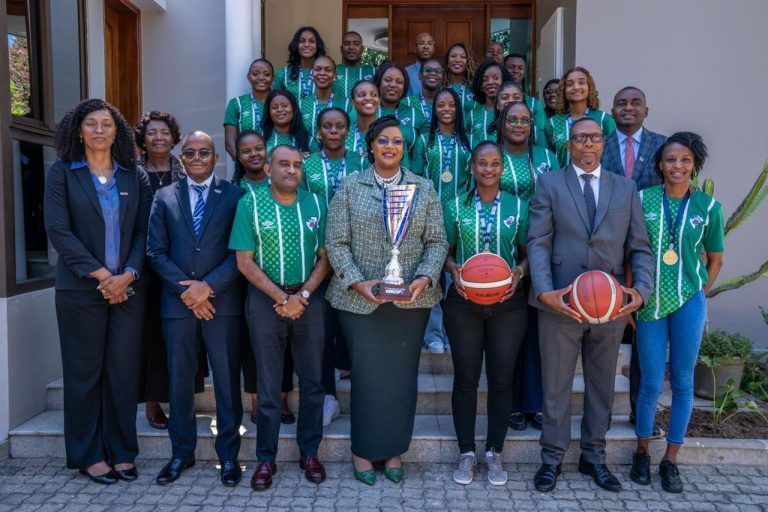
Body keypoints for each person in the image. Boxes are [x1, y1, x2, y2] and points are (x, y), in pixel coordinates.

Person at [527, 118, 653, 493]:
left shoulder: (625, 188)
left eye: (594, 138)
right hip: (560, 303)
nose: (588, 144)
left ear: (603, 144)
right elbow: (538, 242)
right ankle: (551, 459)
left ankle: (593, 457)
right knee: (555, 387)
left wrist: (641, 292)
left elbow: (640, 248)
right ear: (569, 145)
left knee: (601, 386)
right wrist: (545, 291)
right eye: (580, 138)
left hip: (610, 307)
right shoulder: (549, 183)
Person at [325, 116, 448, 485]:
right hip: (360, 303)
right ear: (371, 146)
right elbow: (335, 242)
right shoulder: (349, 187)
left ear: (404, 147)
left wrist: (423, 279)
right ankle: (363, 450)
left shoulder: (423, 188)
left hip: (411, 301)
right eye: (383, 141)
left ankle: (393, 449)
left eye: (396, 141)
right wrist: (358, 282)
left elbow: (437, 242)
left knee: (400, 377)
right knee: (367, 376)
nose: (390, 146)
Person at [44, 98, 152, 484]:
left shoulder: (132, 176)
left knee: (122, 374)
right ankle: (88, 455)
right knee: (84, 375)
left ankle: (122, 451)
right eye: (92, 124)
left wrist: (129, 274)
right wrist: (103, 275)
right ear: (78, 131)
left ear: (117, 131)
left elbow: (142, 232)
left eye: (107, 124)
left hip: (127, 291)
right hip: (79, 291)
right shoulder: (62, 174)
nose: (100, 131)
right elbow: (58, 231)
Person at [148, 131, 245, 487]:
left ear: (216, 156)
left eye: (205, 152)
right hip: (178, 305)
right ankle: (181, 453)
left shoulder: (235, 195)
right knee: (179, 383)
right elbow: (155, 252)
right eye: (190, 152)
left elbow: (241, 252)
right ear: (182, 157)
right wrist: (189, 292)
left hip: (223, 304)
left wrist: (209, 289)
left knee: (225, 383)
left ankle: (229, 456)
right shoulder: (163, 197)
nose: (198, 157)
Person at [230, 144, 329, 490]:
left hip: (308, 299)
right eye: (283, 164)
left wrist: (300, 296)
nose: (291, 170)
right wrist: (281, 297)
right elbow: (244, 261)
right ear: (269, 169)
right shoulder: (250, 202)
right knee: (269, 386)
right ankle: (265, 459)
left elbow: (325, 258)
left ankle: (309, 453)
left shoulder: (316, 203)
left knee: (313, 382)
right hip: (265, 301)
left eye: (297, 165)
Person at [630, 132, 724, 493]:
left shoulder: (708, 207)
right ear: (660, 164)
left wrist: (700, 293)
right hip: (650, 303)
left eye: (685, 160)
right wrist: (630, 299)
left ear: (694, 165)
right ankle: (642, 452)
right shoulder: (642, 200)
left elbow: (715, 258)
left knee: (683, 382)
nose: (677, 166)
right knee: (651, 383)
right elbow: (632, 253)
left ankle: (670, 460)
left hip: (688, 302)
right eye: (670, 159)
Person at [443, 141, 529, 486]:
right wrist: (454, 271)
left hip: (508, 303)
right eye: (482, 164)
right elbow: (445, 253)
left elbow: (526, 254)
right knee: (465, 377)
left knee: (502, 379)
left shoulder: (519, 206)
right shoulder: (455, 206)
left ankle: (494, 452)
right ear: (473, 167)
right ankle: (466, 453)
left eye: (495, 164)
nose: (489, 169)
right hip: (464, 302)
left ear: (503, 169)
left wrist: (519, 275)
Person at [134, 110, 207, 431]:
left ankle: (185, 398)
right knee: (151, 335)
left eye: (165, 132)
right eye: (152, 133)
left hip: (181, 267)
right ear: (143, 139)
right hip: (145, 265)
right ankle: (153, 400)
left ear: (173, 137)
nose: (159, 138)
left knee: (185, 335)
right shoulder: (131, 173)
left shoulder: (185, 172)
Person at [602, 86, 667, 434]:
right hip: (607, 251)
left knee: (645, 337)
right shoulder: (601, 144)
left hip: (648, 251)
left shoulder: (663, 146)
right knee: (607, 334)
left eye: (635, 103)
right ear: (611, 110)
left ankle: (640, 416)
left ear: (646, 109)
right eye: (621, 103)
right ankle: (600, 414)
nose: (628, 108)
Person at [494, 101, 557, 431]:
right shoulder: (491, 155)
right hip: (503, 254)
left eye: (525, 120)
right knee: (510, 332)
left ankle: (535, 400)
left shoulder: (548, 158)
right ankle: (513, 402)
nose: (518, 124)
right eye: (512, 119)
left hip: (543, 252)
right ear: (502, 123)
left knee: (537, 332)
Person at [230, 130, 297, 426]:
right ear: (238, 156)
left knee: (287, 341)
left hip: (286, 281)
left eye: (259, 148)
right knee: (252, 342)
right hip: (247, 279)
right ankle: (257, 397)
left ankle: (282, 397)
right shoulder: (234, 190)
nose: (253, 154)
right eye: (246, 151)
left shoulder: (289, 182)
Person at [303, 107, 362, 425]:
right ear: (319, 131)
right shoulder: (307, 164)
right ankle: (327, 395)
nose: (334, 131)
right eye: (328, 126)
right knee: (322, 329)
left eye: (340, 126)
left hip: (355, 253)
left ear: (348, 130)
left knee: (353, 325)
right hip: (318, 256)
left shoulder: (362, 162)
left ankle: (365, 393)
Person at [411, 87, 472, 354]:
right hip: (431, 213)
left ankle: (456, 331)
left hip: (461, 213)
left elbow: (474, 177)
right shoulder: (425, 139)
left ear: (458, 108)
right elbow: (416, 175)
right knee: (433, 272)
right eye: (440, 105)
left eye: (451, 105)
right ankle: (434, 333)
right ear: (433, 109)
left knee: (458, 271)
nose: (446, 109)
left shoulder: (469, 139)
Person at [544, 66, 616, 167]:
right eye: (570, 84)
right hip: (562, 181)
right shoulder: (552, 123)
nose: (576, 87)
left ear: (589, 88)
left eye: (581, 83)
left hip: (597, 181)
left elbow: (613, 156)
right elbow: (548, 158)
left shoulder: (604, 120)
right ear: (563, 90)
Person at [372, 61, 427, 166]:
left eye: (399, 82)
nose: (393, 85)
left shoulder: (416, 115)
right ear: (379, 83)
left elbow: (425, 152)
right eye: (388, 80)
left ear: (404, 87)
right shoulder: (365, 111)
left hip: (406, 178)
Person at [224, 58, 274, 160]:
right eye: (255, 74)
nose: (261, 77)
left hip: (277, 166)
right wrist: (245, 165)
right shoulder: (236, 104)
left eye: (266, 74)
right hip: (248, 168)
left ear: (273, 78)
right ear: (248, 77)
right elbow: (230, 144)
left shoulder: (280, 103)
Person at [299, 55, 351, 143]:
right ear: (312, 74)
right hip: (309, 155)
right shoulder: (301, 104)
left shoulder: (347, 104)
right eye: (318, 69)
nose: (322, 73)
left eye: (328, 70)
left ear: (334, 75)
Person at [503, 53, 547, 145]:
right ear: (503, 69)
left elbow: (540, 138)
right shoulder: (497, 101)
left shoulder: (534, 104)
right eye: (511, 67)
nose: (516, 70)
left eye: (520, 68)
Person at [274, 26, 327, 100]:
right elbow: (274, 101)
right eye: (302, 41)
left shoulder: (327, 74)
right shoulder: (282, 74)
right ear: (296, 45)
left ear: (317, 46)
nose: (307, 45)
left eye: (311, 41)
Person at [466, 59, 511, 141]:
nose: (490, 82)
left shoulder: (512, 112)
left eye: (496, 78)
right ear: (480, 86)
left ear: (503, 81)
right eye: (484, 80)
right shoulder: (472, 115)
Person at [469, 81, 524, 147]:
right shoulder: (485, 133)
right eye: (505, 98)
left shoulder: (530, 131)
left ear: (523, 103)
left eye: (516, 98)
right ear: (497, 105)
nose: (510, 101)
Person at [261, 89, 311, 155]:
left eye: (284, 106)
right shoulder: (261, 136)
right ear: (268, 112)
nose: (280, 110)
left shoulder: (308, 139)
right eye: (274, 107)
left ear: (293, 108)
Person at [402, 58, 444, 131]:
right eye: (428, 70)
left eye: (438, 71)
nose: (433, 73)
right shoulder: (406, 103)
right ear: (420, 75)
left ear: (442, 77)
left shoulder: (448, 106)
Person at [333, 31, 376, 98]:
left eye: (356, 44)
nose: (351, 47)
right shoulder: (333, 71)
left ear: (362, 49)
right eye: (347, 44)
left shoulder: (374, 72)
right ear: (341, 49)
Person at [344, 80, 379, 158]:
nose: (368, 98)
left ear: (379, 101)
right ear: (353, 103)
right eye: (361, 95)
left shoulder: (388, 133)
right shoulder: (343, 134)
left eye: (374, 95)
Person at [443, 43, 476, 114]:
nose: (457, 60)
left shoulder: (475, 88)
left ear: (469, 62)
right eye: (453, 56)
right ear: (447, 60)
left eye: (463, 57)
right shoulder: (440, 87)